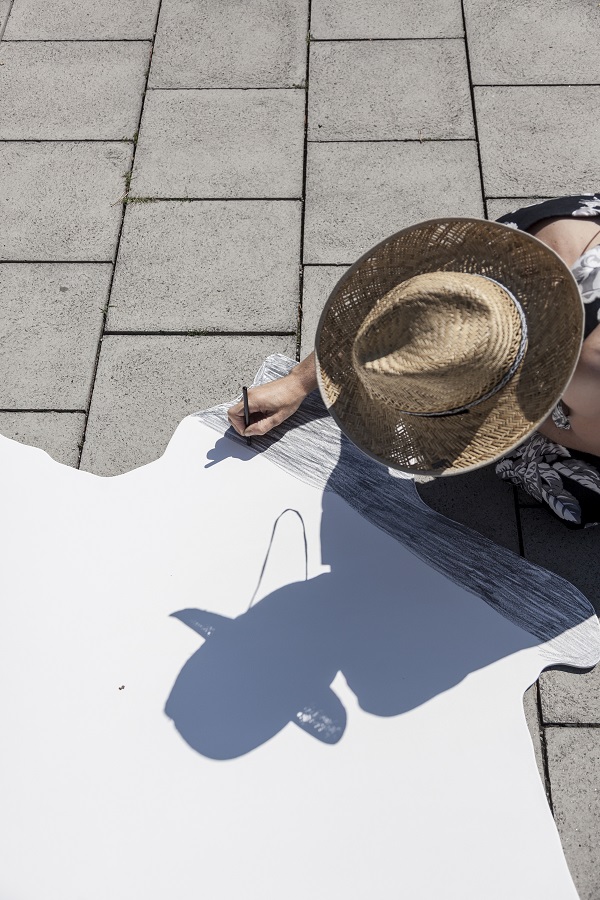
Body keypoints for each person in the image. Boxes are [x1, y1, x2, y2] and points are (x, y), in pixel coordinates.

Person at [229, 197, 600, 528]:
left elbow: (580, 435)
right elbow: (406, 319)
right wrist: (297, 382)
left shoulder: (586, 373)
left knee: (577, 494)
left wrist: (505, 421)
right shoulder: (494, 263)